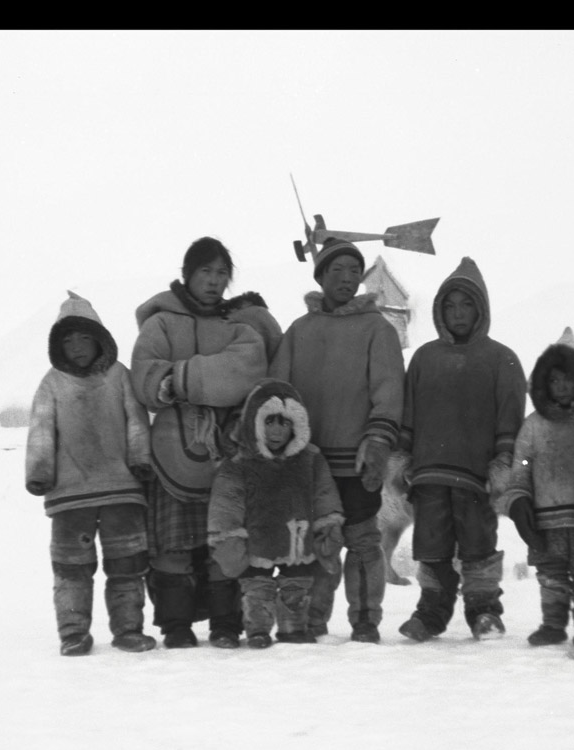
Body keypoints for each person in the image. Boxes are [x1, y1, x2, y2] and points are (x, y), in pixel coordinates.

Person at [130, 236, 282, 649]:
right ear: (187, 273)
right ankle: (176, 625)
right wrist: (208, 381)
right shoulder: (160, 323)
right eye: (205, 272)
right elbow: (145, 376)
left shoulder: (237, 326)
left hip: (224, 453)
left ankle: (225, 623)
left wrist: (180, 379)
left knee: (224, 540)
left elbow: (248, 369)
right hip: (170, 452)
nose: (214, 282)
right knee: (173, 545)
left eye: (221, 274)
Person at [269, 238, 405, 643]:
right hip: (309, 463)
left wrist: (379, 440)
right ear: (322, 276)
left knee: (364, 541)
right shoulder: (299, 331)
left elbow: (388, 390)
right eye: (336, 270)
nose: (345, 278)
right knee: (315, 544)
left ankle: (365, 620)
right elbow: (277, 392)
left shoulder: (377, 330)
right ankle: (311, 621)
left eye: (352, 271)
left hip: (358, 458)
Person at [396, 257, 527, 642]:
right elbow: (409, 415)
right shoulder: (424, 358)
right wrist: (401, 459)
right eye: (450, 305)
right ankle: (431, 613)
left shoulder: (501, 359)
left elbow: (511, 421)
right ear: (439, 309)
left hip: (476, 476)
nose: (457, 313)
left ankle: (484, 611)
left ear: (480, 308)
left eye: (466, 304)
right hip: (429, 474)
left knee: (478, 546)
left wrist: (504, 464)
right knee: (431, 546)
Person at [25, 292, 157, 656]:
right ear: (57, 345)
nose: (77, 347)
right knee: (71, 569)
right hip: (70, 494)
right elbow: (41, 430)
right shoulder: (51, 383)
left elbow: (136, 421)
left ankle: (129, 628)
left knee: (127, 564)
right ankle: (73, 632)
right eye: (67, 340)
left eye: (84, 337)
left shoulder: (119, 376)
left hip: (121, 489)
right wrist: (39, 471)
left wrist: (140, 459)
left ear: (99, 337)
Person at [493, 327, 574, 648]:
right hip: (546, 521)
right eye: (554, 380)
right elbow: (521, 468)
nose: (560, 386)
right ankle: (553, 624)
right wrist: (518, 502)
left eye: (568, 379)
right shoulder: (533, 426)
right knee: (551, 576)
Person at [206, 379, 344, 648]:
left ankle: (293, 628)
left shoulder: (310, 458)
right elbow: (226, 502)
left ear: (297, 425)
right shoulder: (240, 464)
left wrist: (329, 525)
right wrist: (227, 537)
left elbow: (324, 494)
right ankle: (258, 630)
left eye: (284, 423)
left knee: (297, 587)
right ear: (254, 422)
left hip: (297, 543)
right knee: (257, 589)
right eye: (269, 422)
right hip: (259, 541)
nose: (277, 431)